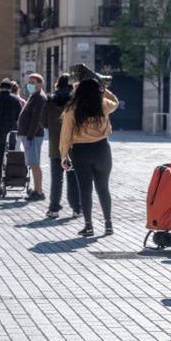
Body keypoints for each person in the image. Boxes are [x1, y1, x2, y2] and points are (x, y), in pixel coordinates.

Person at [59, 66, 118, 237]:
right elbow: (115, 101)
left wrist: (64, 155)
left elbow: (65, 134)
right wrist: (103, 87)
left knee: (85, 189)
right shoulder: (103, 104)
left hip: (80, 152)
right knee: (103, 188)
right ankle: (108, 225)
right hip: (102, 149)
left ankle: (89, 226)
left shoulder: (72, 108)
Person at [41, 75, 81, 219]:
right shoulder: (75, 100)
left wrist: (53, 126)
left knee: (56, 179)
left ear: (57, 84)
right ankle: (77, 208)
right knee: (73, 179)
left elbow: (43, 122)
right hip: (73, 144)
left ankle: (54, 209)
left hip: (55, 145)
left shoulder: (49, 100)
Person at [18, 74, 47, 201]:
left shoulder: (39, 98)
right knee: (32, 163)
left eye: (33, 82)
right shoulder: (34, 96)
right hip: (30, 135)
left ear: (40, 84)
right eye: (29, 82)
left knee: (34, 164)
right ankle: (36, 189)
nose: (29, 84)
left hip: (33, 136)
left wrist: (29, 136)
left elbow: (36, 119)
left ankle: (39, 192)